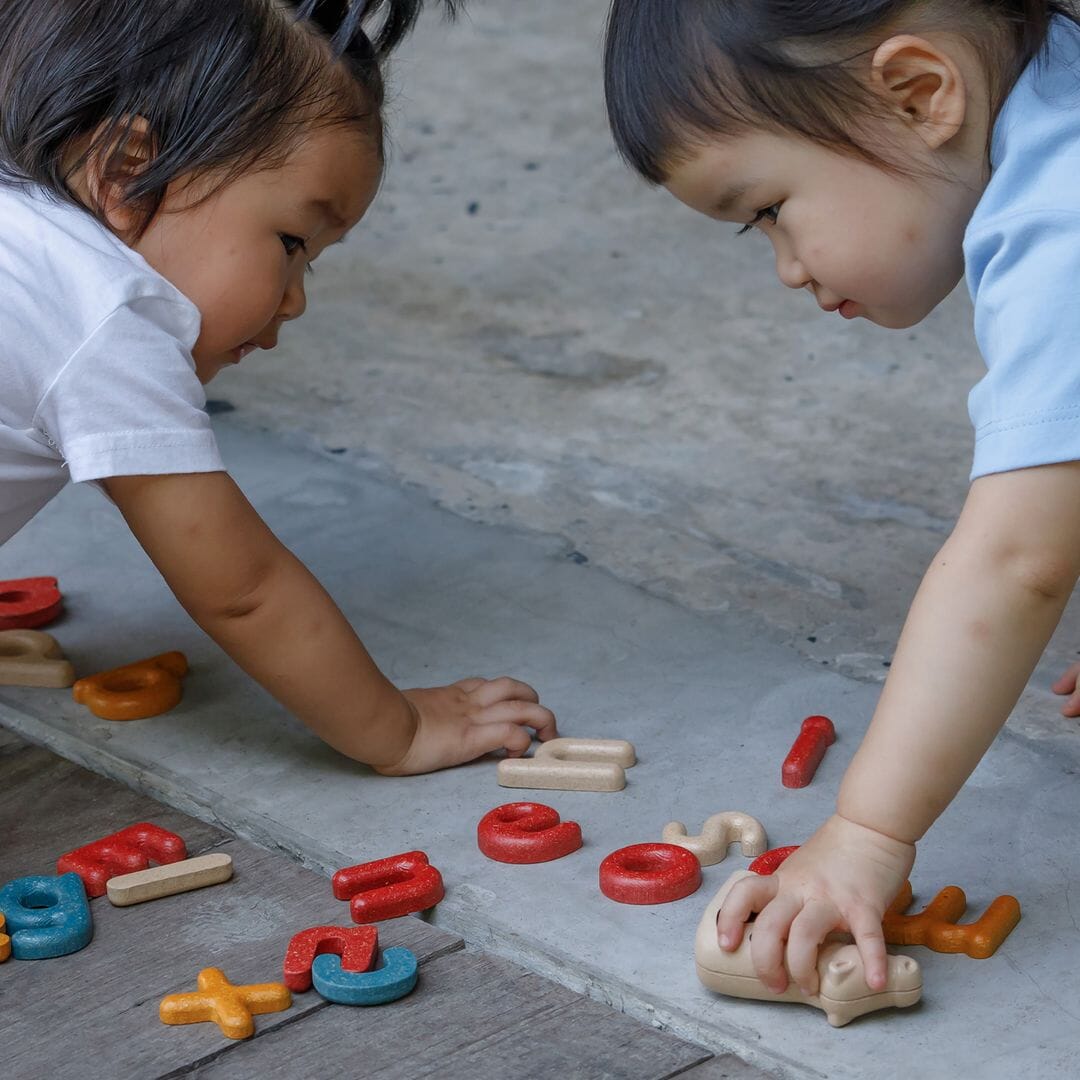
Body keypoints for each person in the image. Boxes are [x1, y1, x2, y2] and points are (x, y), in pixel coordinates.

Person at [604, 0, 1080, 995]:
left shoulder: (1062, 235)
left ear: (919, 95)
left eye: (771, 208)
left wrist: (867, 832)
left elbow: (1017, 561)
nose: (785, 268)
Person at [0, 0, 556, 774]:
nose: (295, 298)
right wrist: (397, 728)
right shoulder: (107, 320)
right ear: (127, 172)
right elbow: (245, 590)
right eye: (292, 243)